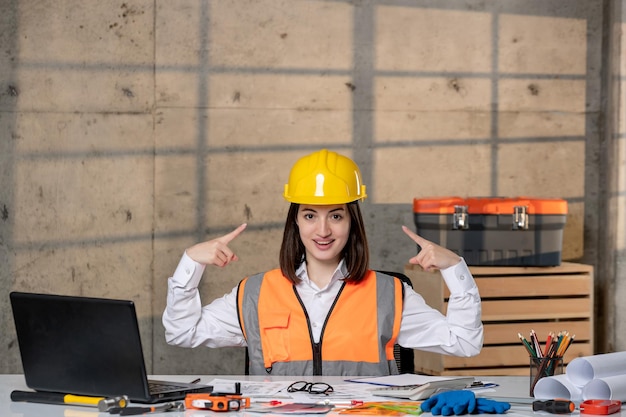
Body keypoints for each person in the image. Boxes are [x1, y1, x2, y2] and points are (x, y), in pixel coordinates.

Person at [163, 149, 483, 376]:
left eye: (336, 215)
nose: (323, 230)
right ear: (296, 223)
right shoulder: (254, 294)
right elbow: (182, 331)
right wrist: (191, 262)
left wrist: (454, 267)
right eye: (310, 215)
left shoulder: (389, 295)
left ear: (352, 222)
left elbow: (465, 341)